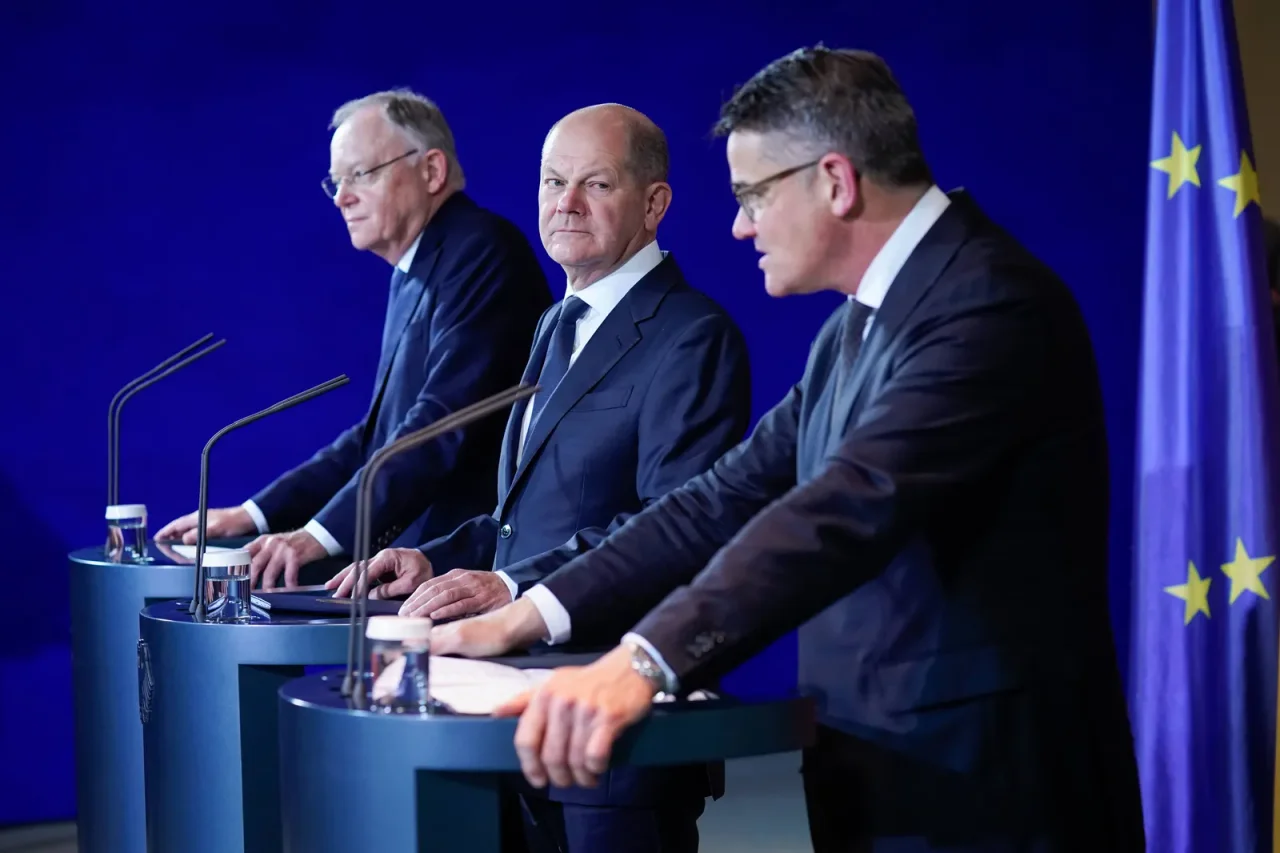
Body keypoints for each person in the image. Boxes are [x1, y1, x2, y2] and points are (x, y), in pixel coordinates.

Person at [431, 47, 1147, 852]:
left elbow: (837, 510)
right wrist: (525, 613)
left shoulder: (989, 304)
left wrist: (639, 663)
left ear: (835, 181)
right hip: (875, 764)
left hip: (993, 789)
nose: (739, 225)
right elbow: (719, 498)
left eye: (751, 196)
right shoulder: (851, 327)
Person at [329, 104, 752, 853]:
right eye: (553, 181)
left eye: (595, 183)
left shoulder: (692, 335)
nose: (566, 203)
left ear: (654, 204)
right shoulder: (554, 325)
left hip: (611, 726)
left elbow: (673, 525)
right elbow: (517, 514)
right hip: (512, 707)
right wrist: (442, 555)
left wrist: (516, 587)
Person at [155, 89, 552, 587]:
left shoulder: (482, 251)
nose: (342, 196)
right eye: (336, 181)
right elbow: (375, 437)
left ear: (431, 171)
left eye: (360, 175)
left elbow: (438, 425)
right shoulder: (418, 266)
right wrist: (257, 515)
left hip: (467, 561)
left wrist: (318, 537)